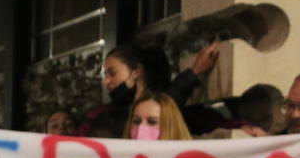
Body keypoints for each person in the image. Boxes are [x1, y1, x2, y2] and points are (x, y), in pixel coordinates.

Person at [78, 42, 219, 138]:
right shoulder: (106, 119)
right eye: (136, 121)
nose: (106, 81)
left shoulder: (181, 111)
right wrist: (193, 74)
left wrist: (194, 73)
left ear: (136, 72)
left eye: (112, 73)